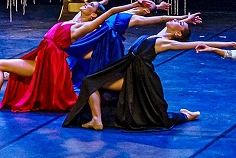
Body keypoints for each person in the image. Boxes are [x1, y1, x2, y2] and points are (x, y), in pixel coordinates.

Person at [0, 0, 155, 113]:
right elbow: (97, 10)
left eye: (90, 5)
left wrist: (134, 5)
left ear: (94, 16)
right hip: (42, 57)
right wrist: (102, 2)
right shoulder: (74, 20)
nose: (86, 4)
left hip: (50, 64)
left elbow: (111, 13)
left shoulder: (83, 27)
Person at [64, 14, 213, 130]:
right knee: (91, 82)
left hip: (137, 79)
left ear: (178, 34)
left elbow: (197, 44)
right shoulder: (158, 36)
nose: (175, 20)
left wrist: (224, 46)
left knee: (91, 82)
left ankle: (186, 116)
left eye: (179, 23)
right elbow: (166, 29)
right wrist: (186, 20)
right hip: (129, 72)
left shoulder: (164, 42)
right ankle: (96, 119)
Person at [64, 0, 191, 91]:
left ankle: (132, 87)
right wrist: (157, 6)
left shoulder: (135, 18)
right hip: (100, 34)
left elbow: (161, 18)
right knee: (78, 55)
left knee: (87, 59)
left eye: (149, 3)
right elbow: (139, 8)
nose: (145, 0)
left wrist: (183, 18)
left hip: (108, 40)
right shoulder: (130, 11)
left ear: (146, 10)